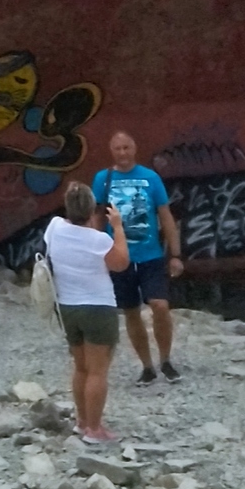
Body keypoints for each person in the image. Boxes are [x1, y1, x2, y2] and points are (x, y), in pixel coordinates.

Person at [92, 131, 184, 384]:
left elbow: (165, 216)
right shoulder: (103, 179)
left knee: (160, 305)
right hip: (119, 257)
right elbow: (98, 216)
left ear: (134, 148)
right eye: (118, 148)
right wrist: (94, 249)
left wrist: (175, 254)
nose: (123, 153)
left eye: (126, 147)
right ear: (112, 151)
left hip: (151, 255)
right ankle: (147, 366)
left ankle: (165, 359)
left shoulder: (150, 178)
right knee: (131, 311)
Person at [42, 175, 129, 443]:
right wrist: (118, 227)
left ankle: (82, 422)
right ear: (92, 210)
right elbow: (121, 263)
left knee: (80, 367)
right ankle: (95, 428)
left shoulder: (54, 228)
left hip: (67, 306)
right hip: (97, 307)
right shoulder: (99, 240)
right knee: (98, 371)